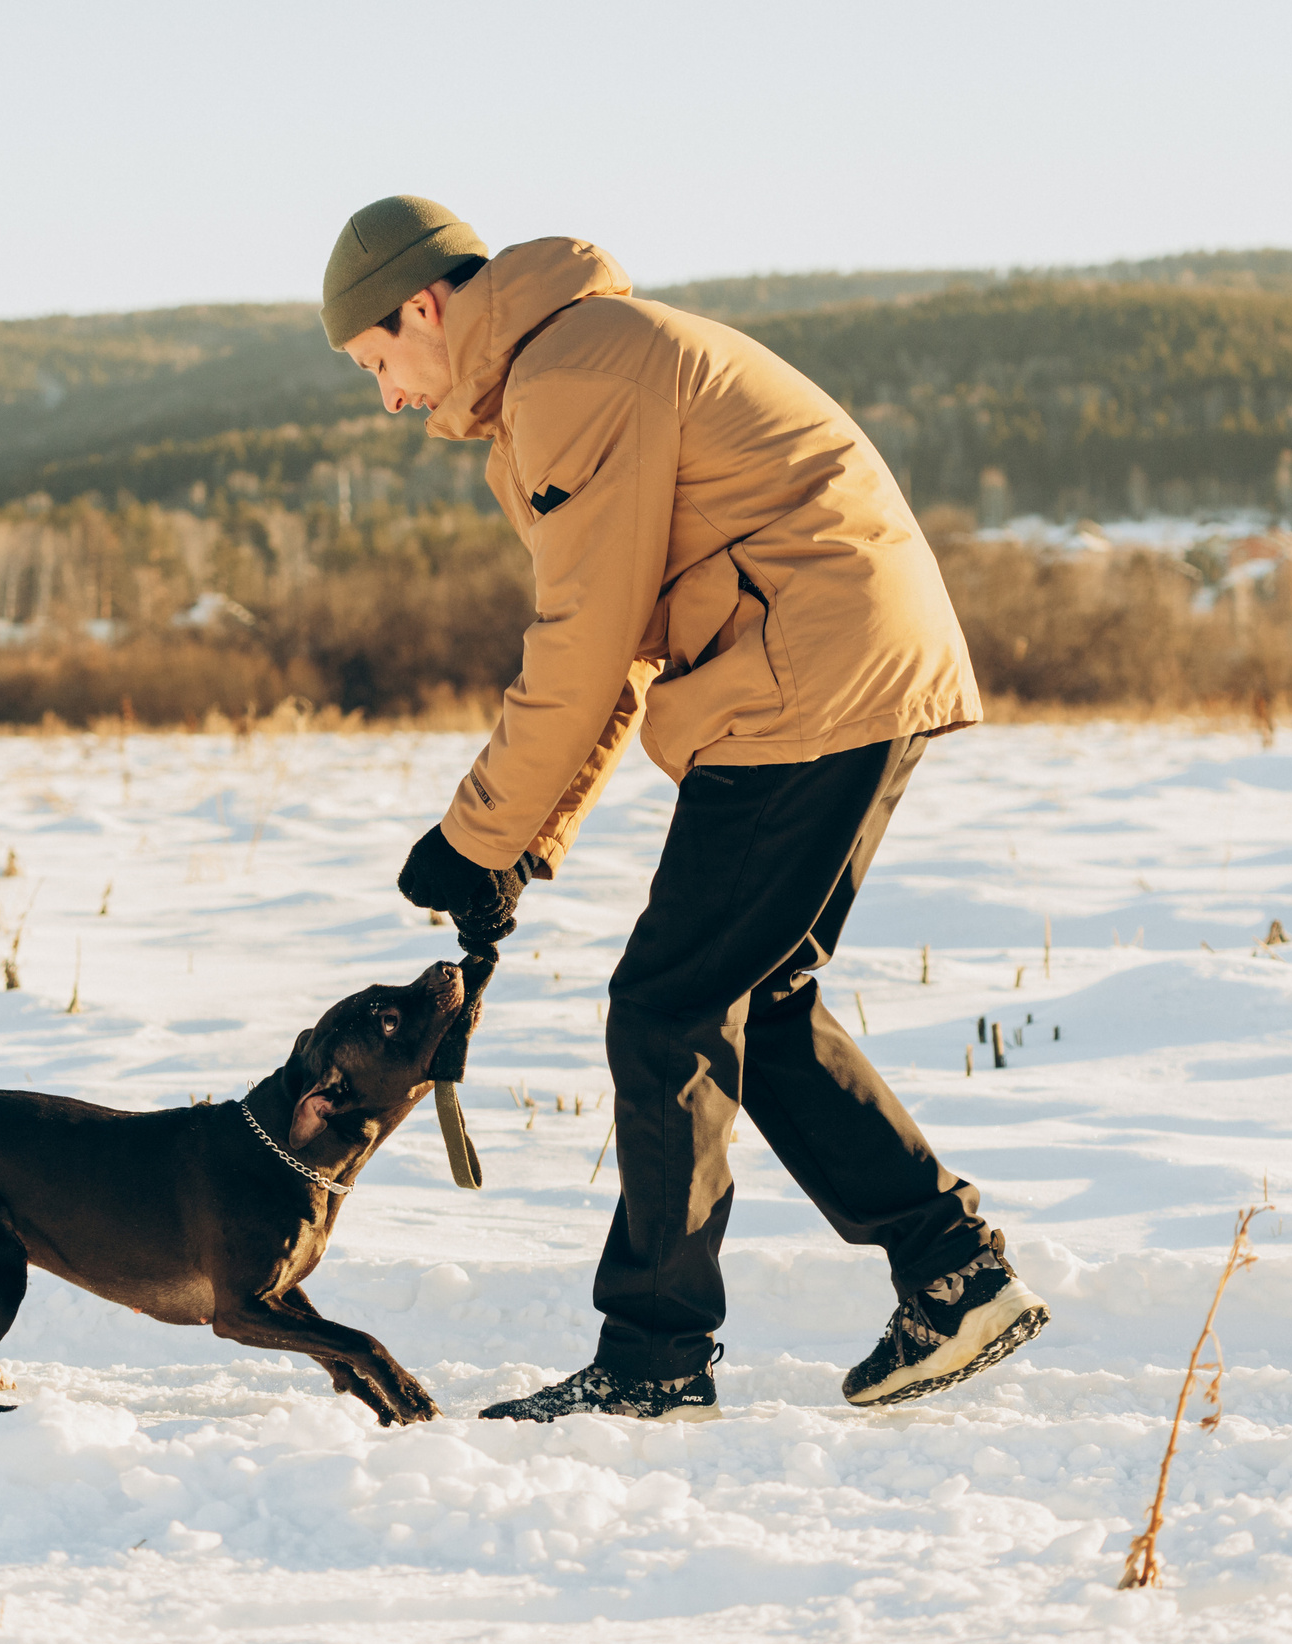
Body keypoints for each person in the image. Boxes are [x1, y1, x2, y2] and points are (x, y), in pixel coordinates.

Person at [321, 195, 1048, 1423]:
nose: (389, 398)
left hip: (803, 673)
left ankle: (656, 1358)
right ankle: (950, 1273)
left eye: (378, 361)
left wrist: (472, 837)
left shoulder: (571, 374)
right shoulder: (573, 360)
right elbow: (628, 640)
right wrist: (527, 843)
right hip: (833, 664)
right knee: (749, 1000)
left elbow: (579, 644)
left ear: (425, 307)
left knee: (666, 1011)